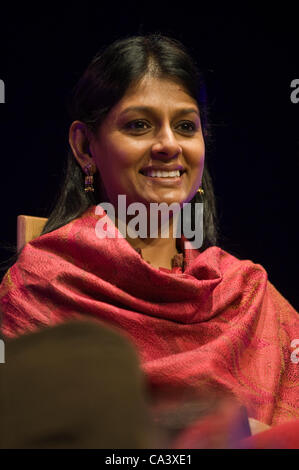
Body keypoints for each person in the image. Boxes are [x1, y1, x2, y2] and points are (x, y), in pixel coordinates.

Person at [0, 33, 298, 444]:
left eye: (185, 126)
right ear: (85, 147)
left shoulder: (245, 293)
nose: (168, 145)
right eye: (139, 125)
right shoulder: (44, 286)